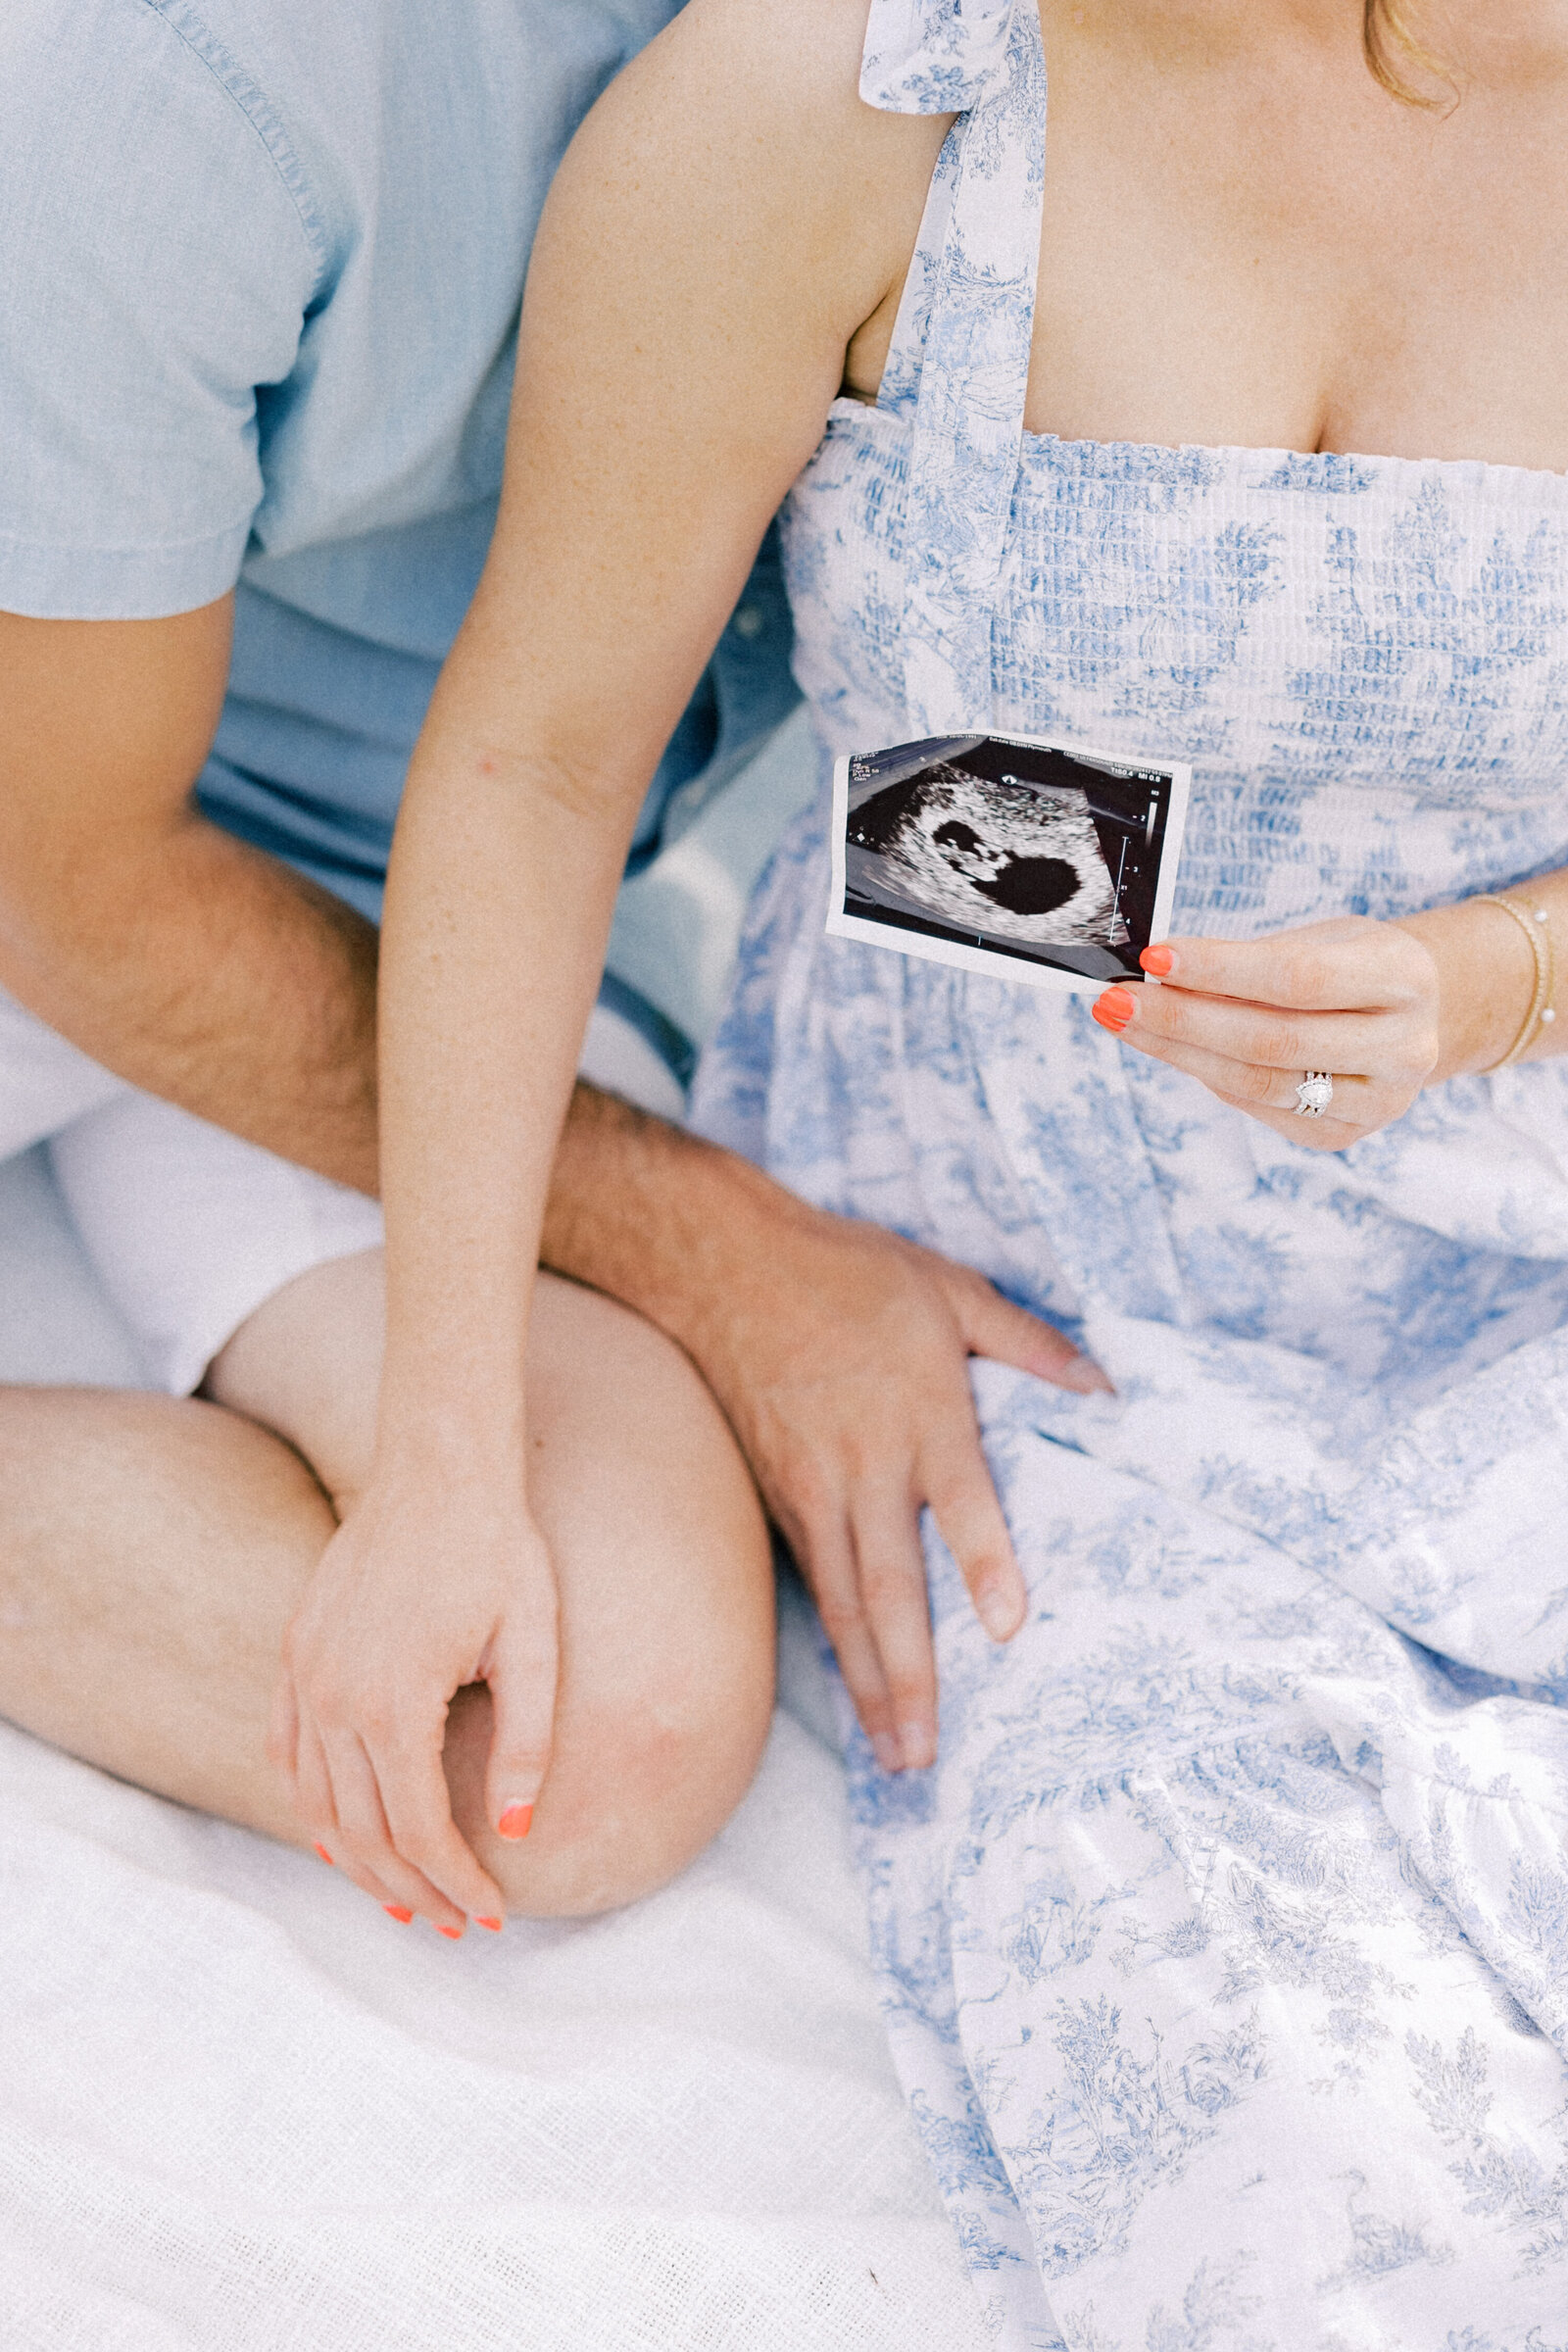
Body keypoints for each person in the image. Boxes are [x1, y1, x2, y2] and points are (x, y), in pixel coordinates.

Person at [337, 0, 1568, 2332]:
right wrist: (442, 1455)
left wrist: (1495, 978)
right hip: (1014, 1334)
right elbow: (527, 771)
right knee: (1286, 2140)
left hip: (1524, 1264)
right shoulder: (838, 99)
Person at [0, 0, 1099, 1933]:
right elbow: (69, 885)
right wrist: (718, 1245)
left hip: (433, 902)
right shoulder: (167, 67)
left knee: (588, 1728)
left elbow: (1007, 695)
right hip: (80, 825)